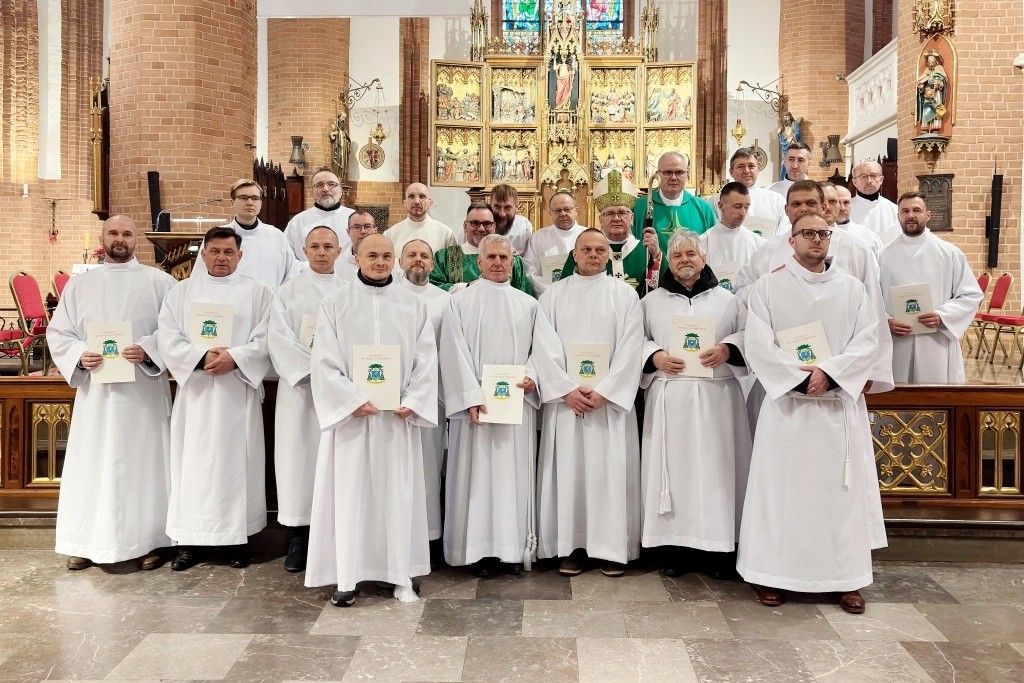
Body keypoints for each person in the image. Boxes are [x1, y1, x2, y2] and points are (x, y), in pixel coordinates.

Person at [737, 213, 881, 615]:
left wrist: (830, 374)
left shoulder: (851, 289)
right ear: (792, 239)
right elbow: (758, 343)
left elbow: (868, 341)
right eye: (808, 233)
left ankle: (845, 579)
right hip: (788, 409)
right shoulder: (768, 287)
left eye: (823, 233)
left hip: (835, 411)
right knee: (782, 493)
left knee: (839, 496)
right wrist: (799, 380)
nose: (816, 239)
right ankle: (772, 575)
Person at [306, 234, 437, 607]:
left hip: (396, 421)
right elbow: (324, 360)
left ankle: (400, 574)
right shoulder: (336, 303)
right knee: (351, 495)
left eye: (386, 255)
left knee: (397, 495)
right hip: (353, 421)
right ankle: (347, 576)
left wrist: (414, 400)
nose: (380, 262)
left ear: (394, 259)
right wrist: (351, 400)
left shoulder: (412, 304)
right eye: (372, 255)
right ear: (356, 258)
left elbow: (426, 360)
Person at [47, 215, 177, 571]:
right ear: (103, 238)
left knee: (145, 466)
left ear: (137, 240)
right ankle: (87, 541)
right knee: (94, 463)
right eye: (114, 233)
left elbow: (173, 331)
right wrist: (79, 355)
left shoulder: (160, 283)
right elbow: (59, 333)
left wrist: (148, 350)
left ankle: (153, 541)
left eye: (127, 233)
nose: (120, 239)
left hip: (142, 393)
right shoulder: (79, 285)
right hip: (97, 396)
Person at [157, 226, 274, 571]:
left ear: (240, 255)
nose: (222, 258)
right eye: (215, 251)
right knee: (192, 466)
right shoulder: (181, 293)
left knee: (236, 467)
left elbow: (267, 337)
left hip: (236, 392)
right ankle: (189, 542)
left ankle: (236, 541)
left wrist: (235, 357)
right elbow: (167, 336)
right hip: (196, 395)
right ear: (203, 254)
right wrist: (200, 357)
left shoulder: (259, 293)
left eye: (229, 252)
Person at [640, 230, 750, 578]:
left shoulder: (729, 301)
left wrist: (728, 349)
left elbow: (749, 336)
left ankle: (720, 550)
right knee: (674, 474)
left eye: (691, 253)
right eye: (677, 255)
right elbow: (635, 341)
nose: (685, 260)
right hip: (670, 397)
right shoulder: (651, 302)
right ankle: (674, 548)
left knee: (717, 473)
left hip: (718, 400)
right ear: (668, 263)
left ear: (704, 258)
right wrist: (655, 356)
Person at [534, 229, 644, 577]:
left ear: (608, 255)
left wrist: (607, 391)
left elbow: (631, 348)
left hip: (607, 405)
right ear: (575, 255)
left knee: (608, 474)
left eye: (600, 250)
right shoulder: (553, 295)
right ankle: (573, 546)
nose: (594, 255)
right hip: (568, 404)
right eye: (587, 249)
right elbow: (544, 347)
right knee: (571, 475)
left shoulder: (625, 295)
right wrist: (566, 389)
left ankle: (611, 548)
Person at [439, 233, 545, 576]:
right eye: (492, 257)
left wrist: (532, 376)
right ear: (479, 261)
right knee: (476, 480)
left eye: (504, 257)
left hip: (516, 405)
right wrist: (469, 395)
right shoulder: (459, 302)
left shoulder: (529, 304)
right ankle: (477, 551)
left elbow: (541, 350)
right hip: (477, 410)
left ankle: (510, 549)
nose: (498, 263)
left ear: (513, 261)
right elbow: (452, 351)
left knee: (512, 478)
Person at [268, 226, 346, 573]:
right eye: (315, 246)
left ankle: (337, 534)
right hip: (300, 391)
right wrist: (313, 372)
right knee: (298, 461)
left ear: (339, 251)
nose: (321, 252)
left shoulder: (350, 291)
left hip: (339, 393)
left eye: (328, 246)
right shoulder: (287, 292)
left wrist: (334, 376)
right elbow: (278, 338)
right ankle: (298, 535)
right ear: (304, 249)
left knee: (336, 462)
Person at [880, 192, 983, 383]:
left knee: (935, 394)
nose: (910, 215)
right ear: (898, 216)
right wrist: (886, 321)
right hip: (897, 339)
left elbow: (970, 295)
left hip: (936, 340)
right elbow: (873, 297)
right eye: (905, 211)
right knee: (899, 396)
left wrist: (942, 316)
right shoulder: (883, 255)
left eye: (916, 210)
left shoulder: (949, 253)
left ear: (928, 215)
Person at [398, 239, 451, 545]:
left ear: (432, 264)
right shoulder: (389, 297)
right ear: (400, 261)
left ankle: (429, 537)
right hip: (394, 400)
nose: (418, 259)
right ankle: (400, 536)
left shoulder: (445, 301)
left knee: (429, 467)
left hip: (431, 398)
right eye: (411, 254)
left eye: (424, 255)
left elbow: (450, 349)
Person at [561, 170, 661, 295]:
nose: (616, 218)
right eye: (609, 213)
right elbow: (563, 292)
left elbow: (665, 289)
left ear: (632, 218)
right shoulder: (581, 253)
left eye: (622, 212)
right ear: (600, 220)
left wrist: (656, 256)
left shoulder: (646, 251)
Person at [191, 179, 296, 288]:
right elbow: (199, 278)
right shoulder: (216, 236)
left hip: (269, 298)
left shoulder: (276, 236)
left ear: (260, 203)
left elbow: (291, 274)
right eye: (244, 198)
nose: (250, 203)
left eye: (255, 198)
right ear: (233, 202)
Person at [431, 203, 533, 294]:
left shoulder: (512, 260)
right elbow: (433, 288)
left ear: (494, 227)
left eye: (487, 224)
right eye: (475, 223)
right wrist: (466, 287)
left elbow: (524, 297)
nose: (481, 229)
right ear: (465, 226)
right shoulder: (445, 257)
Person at [631, 152, 716, 257]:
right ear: (657, 174)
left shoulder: (703, 208)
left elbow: (714, 247)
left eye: (679, 172)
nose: (674, 177)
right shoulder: (640, 206)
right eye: (668, 172)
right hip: (651, 267)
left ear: (687, 174)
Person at [699, 181, 765, 292]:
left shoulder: (758, 243)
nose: (743, 213)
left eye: (746, 207)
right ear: (720, 206)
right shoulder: (703, 242)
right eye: (738, 207)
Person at [522, 190, 587, 295]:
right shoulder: (537, 238)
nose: (563, 213)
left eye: (567, 209)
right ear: (551, 214)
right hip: (548, 296)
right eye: (558, 210)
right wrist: (551, 291)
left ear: (576, 211)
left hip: (583, 294)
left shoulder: (589, 236)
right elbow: (529, 270)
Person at [284, 167, 355, 261]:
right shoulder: (297, 222)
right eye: (319, 185)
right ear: (311, 192)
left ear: (341, 190)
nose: (325, 189)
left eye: (331, 184)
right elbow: (286, 257)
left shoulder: (355, 219)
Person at [710, 149, 786, 236]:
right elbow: (711, 231)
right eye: (741, 166)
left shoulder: (776, 200)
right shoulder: (716, 200)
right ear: (731, 172)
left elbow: (783, 232)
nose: (746, 171)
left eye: (751, 166)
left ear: (758, 170)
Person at [384, 183, 457, 255]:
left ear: (430, 203)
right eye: (411, 196)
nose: (416, 201)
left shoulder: (446, 234)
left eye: (422, 196)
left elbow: (455, 263)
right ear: (404, 203)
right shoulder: (390, 235)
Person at [849, 160, 900, 246]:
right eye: (863, 176)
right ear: (854, 182)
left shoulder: (894, 210)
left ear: (881, 179)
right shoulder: (846, 209)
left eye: (873, 175)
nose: (869, 180)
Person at [335, 210, 394, 280]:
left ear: (375, 230)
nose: (363, 231)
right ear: (348, 232)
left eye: (367, 226)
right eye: (356, 227)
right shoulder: (336, 264)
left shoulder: (392, 263)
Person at [833, 184, 882, 260]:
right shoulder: (820, 235)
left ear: (851, 204)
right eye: (837, 202)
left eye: (846, 202)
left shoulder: (869, 236)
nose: (842, 208)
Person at [489, 184, 534, 254]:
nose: (502, 214)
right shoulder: (480, 224)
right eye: (497, 207)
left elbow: (530, 256)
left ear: (516, 207)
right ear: (490, 205)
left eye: (507, 207)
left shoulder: (524, 225)